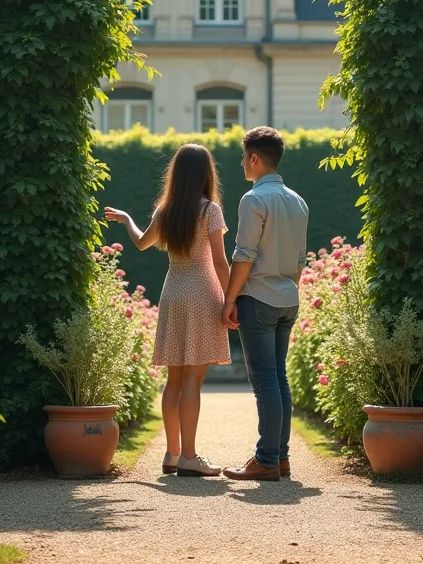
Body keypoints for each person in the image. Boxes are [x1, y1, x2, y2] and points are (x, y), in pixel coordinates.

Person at [105, 144, 232, 477]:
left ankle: (173, 454)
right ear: (207, 173)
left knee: (174, 379)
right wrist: (234, 298)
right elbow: (219, 261)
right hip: (202, 291)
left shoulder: (165, 211)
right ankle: (190, 456)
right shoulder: (210, 210)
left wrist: (127, 219)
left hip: (173, 289)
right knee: (193, 379)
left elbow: (141, 242)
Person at [220, 126, 309, 481]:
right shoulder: (298, 200)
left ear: (254, 158)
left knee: (265, 381)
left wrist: (229, 299)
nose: (243, 163)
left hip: (257, 298)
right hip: (288, 297)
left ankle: (266, 459)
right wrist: (289, 290)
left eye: (244, 157)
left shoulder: (253, 199)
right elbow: (301, 259)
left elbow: (244, 255)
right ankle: (280, 457)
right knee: (279, 378)